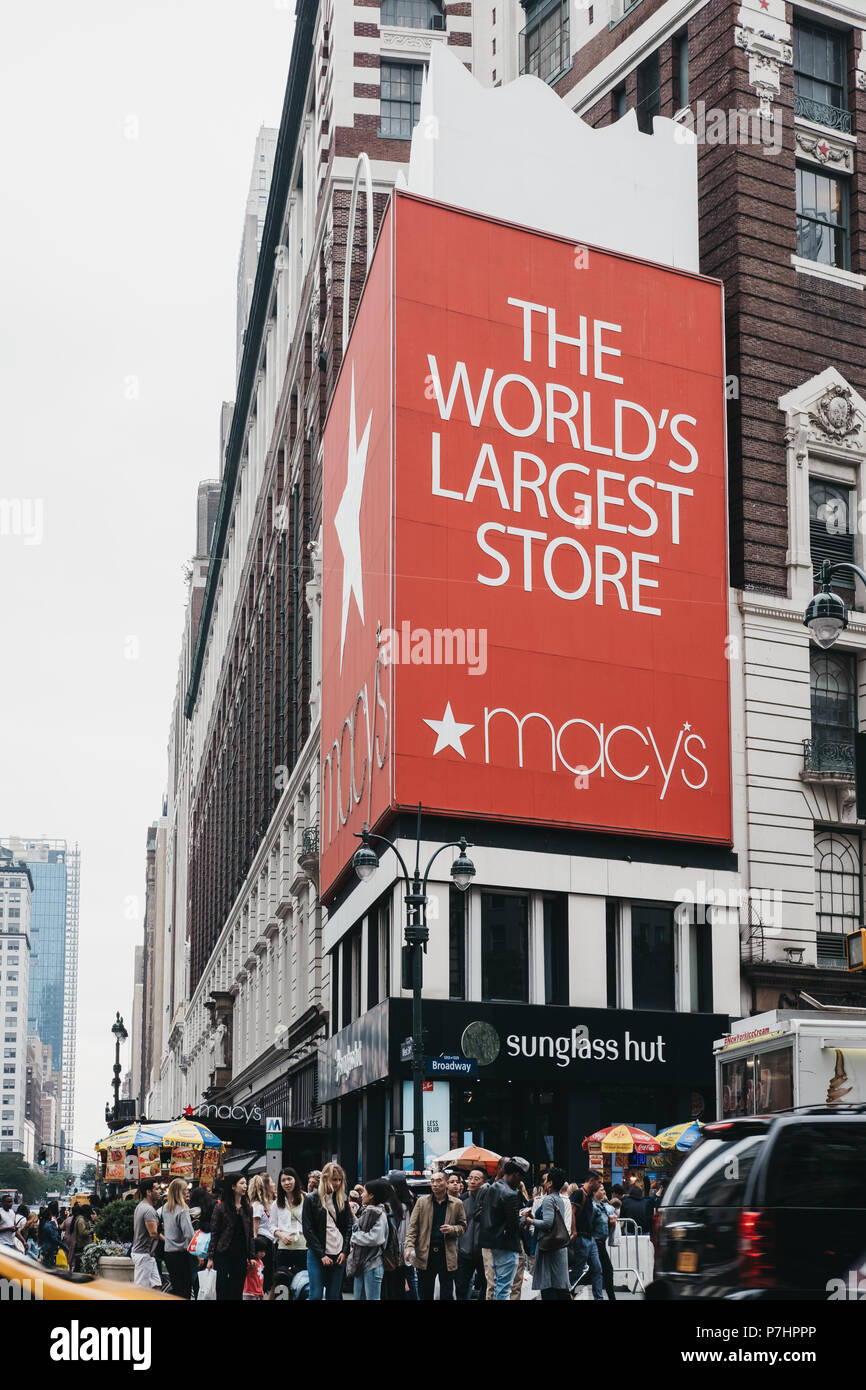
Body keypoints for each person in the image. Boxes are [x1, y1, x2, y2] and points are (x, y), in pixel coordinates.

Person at [405, 1170, 466, 1301]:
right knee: (425, 1292)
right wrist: (409, 1247)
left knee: (447, 1293)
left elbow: (463, 1226)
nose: (435, 1184)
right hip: (425, 1253)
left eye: (439, 1181)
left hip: (447, 1253)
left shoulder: (457, 1203)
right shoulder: (422, 1202)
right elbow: (412, 1227)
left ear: (446, 1183)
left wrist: (452, 1229)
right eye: (432, 1181)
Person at [480, 1156, 528, 1300]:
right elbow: (514, 1225)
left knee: (498, 1284)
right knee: (504, 1287)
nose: (520, 1181)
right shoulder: (510, 1194)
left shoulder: (493, 1187)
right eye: (520, 1177)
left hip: (492, 1243)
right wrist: (525, 1218)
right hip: (507, 1244)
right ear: (516, 1175)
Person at [302, 1162, 351, 1301]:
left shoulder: (343, 1198)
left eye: (339, 1179)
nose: (337, 1183)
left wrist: (344, 1251)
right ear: (325, 1179)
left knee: (333, 1296)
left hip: (338, 1253)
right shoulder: (311, 1199)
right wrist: (321, 1255)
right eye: (334, 1179)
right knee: (315, 1295)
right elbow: (308, 1229)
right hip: (317, 1254)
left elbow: (348, 1226)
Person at [525, 1167, 572, 1301]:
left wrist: (531, 1221)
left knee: (548, 1284)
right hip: (557, 1246)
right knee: (559, 1285)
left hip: (549, 1247)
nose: (544, 1183)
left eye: (546, 1180)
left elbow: (547, 1223)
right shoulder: (560, 1199)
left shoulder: (548, 1200)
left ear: (550, 1183)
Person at [207, 1175, 255, 1301]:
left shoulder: (248, 1209)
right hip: (223, 1252)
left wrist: (251, 1256)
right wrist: (210, 1258)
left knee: (237, 1289)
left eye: (246, 1183)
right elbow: (214, 1233)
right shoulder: (221, 1207)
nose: (245, 1186)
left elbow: (250, 1234)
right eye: (242, 1183)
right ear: (233, 1187)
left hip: (240, 1254)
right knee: (222, 1289)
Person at [348, 1179, 393, 1301]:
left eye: (364, 1192)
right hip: (362, 1263)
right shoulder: (368, 1211)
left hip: (372, 1264)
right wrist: (353, 1218)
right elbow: (363, 1228)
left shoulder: (378, 1213)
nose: (361, 1195)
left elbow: (376, 1238)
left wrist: (355, 1236)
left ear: (372, 1195)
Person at [455, 1166, 488, 1301]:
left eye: (476, 1179)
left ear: (484, 1182)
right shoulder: (461, 1200)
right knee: (461, 1287)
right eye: (470, 1178)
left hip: (484, 1252)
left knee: (486, 1286)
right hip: (464, 1252)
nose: (472, 1181)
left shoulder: (489, 1200)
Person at [571, 1172, 605, 1301]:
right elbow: (572, 1212)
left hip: (590, 1238)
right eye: (599, 1182)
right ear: (591, 1181)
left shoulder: (589, 1196)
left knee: (597, 1269)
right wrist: (574, 1232)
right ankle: (564, 1291)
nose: (600, 1184)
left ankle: (599, 1298)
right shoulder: (579, 1193)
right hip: (581, 1237)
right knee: (578, 1271)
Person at [383, 1171, 415, 1301]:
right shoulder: (408, 1202)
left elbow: (404, 1231)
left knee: (399, 1284)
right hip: (400, 1253)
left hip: (398, 1253)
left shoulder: (399, 1206)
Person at [162, 1178, 195, 1299]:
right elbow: (189, 1234)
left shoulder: (166, 1207)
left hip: (169, 1253)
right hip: (181, 1254)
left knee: (176, 1288)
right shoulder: (182, 1209)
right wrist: (198, 1252)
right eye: (185, 1190)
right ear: (178, 1192)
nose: (187, 1192)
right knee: (185, 1289)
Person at [272, 1166, 306, 1278]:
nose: (287, 1183)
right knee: (282, 1283)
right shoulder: (277, 1203)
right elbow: (271, 1225)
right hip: (284, 1248)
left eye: (289, 1179)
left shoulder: (306, 1198)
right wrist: (281, 1235)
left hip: (303, 1247)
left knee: (302, 1281)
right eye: (283, 1180)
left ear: (295, 1180)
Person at [131, 1179, 162, 1290]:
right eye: (157, 1189)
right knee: (141, 1290)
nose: (160, 1191)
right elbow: (153, 1233)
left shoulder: (141, 1206)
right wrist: (168, 1240)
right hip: (143, 1254)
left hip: (148, 1254)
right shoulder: (148, 1210)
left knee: (156, 1286)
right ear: (148, 1192)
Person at [249, 1174, 276, 1295]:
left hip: (269, 1242)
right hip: (262, 1243)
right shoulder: (258, 1206)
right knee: (264, 1274)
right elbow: (255, 1230)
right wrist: (255, 1250)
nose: (274, 1184)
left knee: (268, 1274)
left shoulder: (267, 1205)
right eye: (271, 1182)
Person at [592, 1183, 618, 1302]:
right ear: (594, 1192)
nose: (604, 1192)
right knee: (605, 1270)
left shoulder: (603, 1205)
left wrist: (610, 1223)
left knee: (600, 1271)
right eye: (601, 1190)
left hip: (600, 1242)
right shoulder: (593, 1206)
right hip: (595, 1242)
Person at [69, 1202, 93, 1273]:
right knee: (79, 1266)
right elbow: (82, 1232)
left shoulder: (80, 1219)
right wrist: (91, 1231)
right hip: (81, 1245)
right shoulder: (81, 1220)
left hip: (81, 1245)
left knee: (79, 1265)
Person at [38, 1202, 62, 1267]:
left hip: (48, 1245)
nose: (59, 1209)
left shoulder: (49, 1218)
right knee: (48, 1264)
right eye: (58, 1207)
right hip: (49, 1246)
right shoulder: (51, 1219)